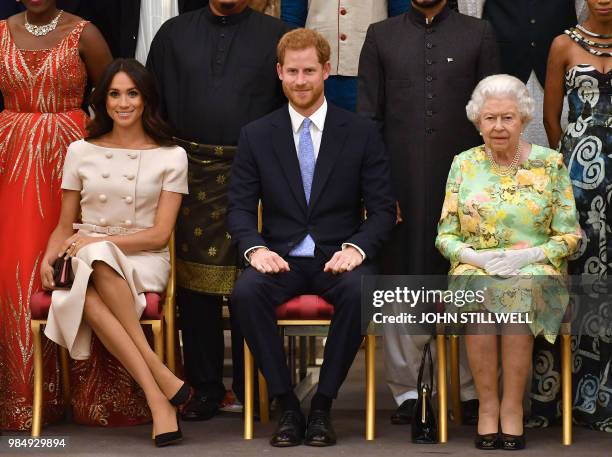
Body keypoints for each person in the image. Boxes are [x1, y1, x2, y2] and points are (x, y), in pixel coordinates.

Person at [227, 28, 395, 447]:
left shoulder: (359, 132)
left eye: (309, 71)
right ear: (279, 73)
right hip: (279, 257)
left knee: (362, 291)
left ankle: (322, 405)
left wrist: (356, 249)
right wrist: (255, 249)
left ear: (326, 70)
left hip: (337, 258)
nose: (300, 81)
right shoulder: (256, 134)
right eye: (292, 72)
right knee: (246, 293)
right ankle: (286, 403)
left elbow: (382, 211)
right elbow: (240, 209)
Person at [357, 0, 500, 426]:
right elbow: (368, 120)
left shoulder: (479, 33)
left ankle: (471, 390)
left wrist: (489, 190)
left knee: (466, 279)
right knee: (404, 280)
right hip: (400, 184)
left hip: (468, 185)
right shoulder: (381, 36)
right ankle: (407, 391)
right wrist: (379, 192)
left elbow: (491, 115)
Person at [146, 0, 290, 421]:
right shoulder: (173, 34)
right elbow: (154, 106)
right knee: (194, 289)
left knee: (253, 282)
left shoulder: (276, 35)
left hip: (257, 175)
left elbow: (290, 106)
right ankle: (205, 388)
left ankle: (255, 386)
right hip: (188, 174)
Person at [40, 59, 190, 447]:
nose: (123, 103)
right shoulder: (80, 150)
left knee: (94, 263)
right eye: (114, 94)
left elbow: (159, 234)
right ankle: (160, 389)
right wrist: (48, 256)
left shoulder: (172, 155)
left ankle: (159, 390)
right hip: (86, 254)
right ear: (103, 100)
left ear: (146, 100)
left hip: (143, 258)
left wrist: (94, 243)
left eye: (132, 93)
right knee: (88, 275)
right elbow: (65, 223)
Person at [436, 74, 581, 450]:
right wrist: (475, 257)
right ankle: (488, 407)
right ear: (477, 121)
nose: (498, 126)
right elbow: (445, 236)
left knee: (518, 293)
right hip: (477, 265)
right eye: (490, 118)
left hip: (535, 267)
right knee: (480, 294)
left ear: (524, 119)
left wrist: (529, 255)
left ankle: (513, 408)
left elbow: (569, 235)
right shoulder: (463, 164)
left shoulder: (551, 164)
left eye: (508, 118)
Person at [0, 0, 112, 431]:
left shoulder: (86, 33)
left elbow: (112, 94)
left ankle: (85, 391)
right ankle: (25, 394)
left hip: (72, 156)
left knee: (73, 261)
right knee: (16, 266)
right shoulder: (2, 31)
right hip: (11, 158)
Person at [541, 0, 612, 433]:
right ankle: (570, 395)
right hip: (579, 181)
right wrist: (567, 169)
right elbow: (552, 118)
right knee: (577, 279)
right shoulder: (563, 45)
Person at [280, 0, 410, 111]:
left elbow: (402, 16)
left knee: (366, 133)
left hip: (373, 70)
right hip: (315, 71)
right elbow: (291, 17)